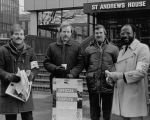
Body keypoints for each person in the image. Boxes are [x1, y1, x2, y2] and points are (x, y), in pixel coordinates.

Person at [105, 24, 150, 120]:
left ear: (134, 34)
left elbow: (141, 72)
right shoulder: (121, 51)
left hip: (135, 99)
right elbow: (119, 72)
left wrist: (118, 75)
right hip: (121, 98)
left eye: (128, 33)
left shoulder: (142, 48)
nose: (124, 35)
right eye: (122, 33)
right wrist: (111, 79)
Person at [0, 24, 39, 120]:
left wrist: (31, 75)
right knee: (10, 118)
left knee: (28, 117)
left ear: (24, 36)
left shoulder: (30, 50)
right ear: (11, 36)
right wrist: (9, 76)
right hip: (9, 90)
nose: (19, 36)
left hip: (25, 91)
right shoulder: (3, 50)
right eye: (16, 34)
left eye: (21, 34)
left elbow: (35, 68)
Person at [84, 24, 119, 120]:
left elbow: (117, 64)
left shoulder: (114, 49)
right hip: (93, 83)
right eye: (96, 33)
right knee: (94, 111)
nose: (98, 35)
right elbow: (87, 66)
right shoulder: (88, 49)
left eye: (100, 33)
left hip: (108, 83)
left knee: (107, 111)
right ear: (94, 35)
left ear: (105, 34)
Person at [43, 22, 84, 92]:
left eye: (68, 32)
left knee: (72, 102)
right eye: (64, 31)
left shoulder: (77, 46)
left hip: (73, 81)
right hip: (56, 80)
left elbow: (81, 63)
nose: (66, 34)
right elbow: (46, 62)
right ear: (60, 33)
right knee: (57, 102)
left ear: (71, 33)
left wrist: (73, 73)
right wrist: (55, 68)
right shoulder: (52, 46)